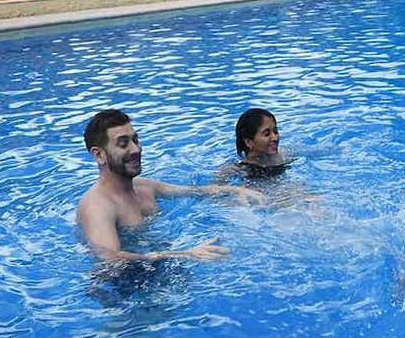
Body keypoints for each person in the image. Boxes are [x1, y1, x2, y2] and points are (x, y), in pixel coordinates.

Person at [76, 108, 264, 263]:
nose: (136, 149)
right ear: (99, 155)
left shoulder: (144, 187)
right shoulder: (98, 206)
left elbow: (192, 192)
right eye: (123, 144)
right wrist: (187, 254)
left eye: (135, 140)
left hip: (156, 264)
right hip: (122, 289)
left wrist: (236, 190)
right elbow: (110, 258)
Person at [230, 107, 292, 178]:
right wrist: (239, 189)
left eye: (275, 131)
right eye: (267, 134)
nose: (275, 138)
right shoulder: (240, 169)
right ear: (248, 142)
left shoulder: (281, 155)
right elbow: (214, 186)